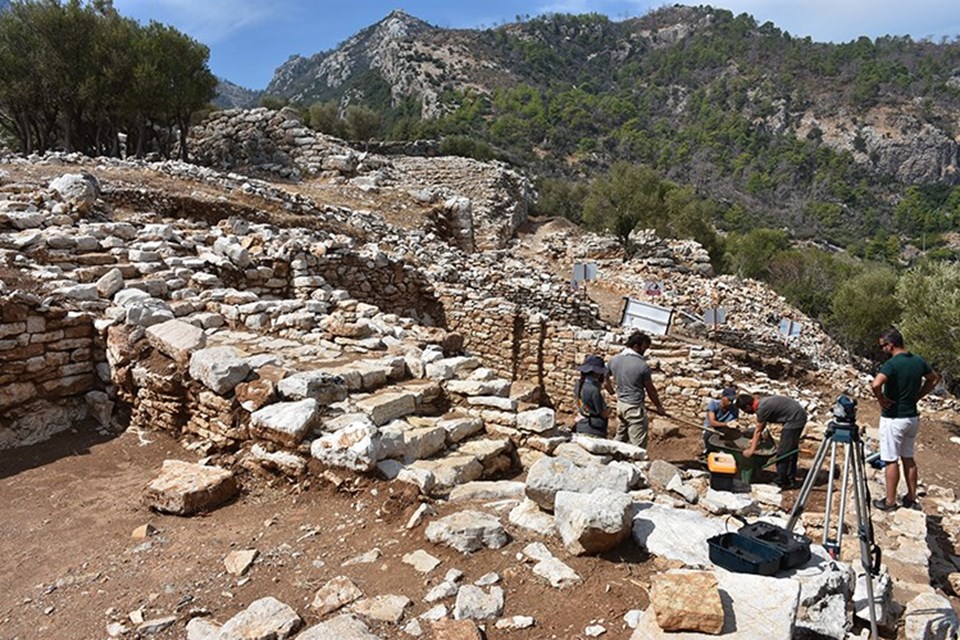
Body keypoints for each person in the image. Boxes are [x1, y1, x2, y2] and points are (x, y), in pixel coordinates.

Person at [870, 328, 938, 511]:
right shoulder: (918, 361)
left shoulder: (892, 365)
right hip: (911, 418)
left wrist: (881, 400)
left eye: (883, 346)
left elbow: (876, 384)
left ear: (890, 345)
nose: (882, 349)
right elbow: (933, 379)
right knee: (908, 457)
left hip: (893, 418)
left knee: (890, 459)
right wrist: (918, 396)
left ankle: (890, 501)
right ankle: (911, 497)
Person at [607, 331, 668, 448]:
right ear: (636, 346)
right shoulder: (642, 365)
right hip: (634, 408)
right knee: (637, 445)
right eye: (644, 347)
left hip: (620, 405)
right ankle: (636, 464)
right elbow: (650, 390)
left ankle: (613, 458)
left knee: (621, 437)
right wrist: (659, 407)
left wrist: (612, 393)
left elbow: (605, 380)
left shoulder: (614, 360)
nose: (645, 351)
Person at [737, 393, 807, 488]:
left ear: (748, 406)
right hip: (795, 416)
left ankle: (780, 481)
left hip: (794, 419)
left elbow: (758, 430)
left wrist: (751, 450)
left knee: (783, 452)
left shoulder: (762, 409)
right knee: (790, 450)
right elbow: (762, 426)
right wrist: (754, 440)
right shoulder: (762, 403)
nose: (745, 413)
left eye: (744, 410)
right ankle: (789, 479)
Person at [573, 354, 612, 438]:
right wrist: (609, 410)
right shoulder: (593, 390)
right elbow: (602, 413)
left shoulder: (578, 384)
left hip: (581, 426)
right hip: (594, 430)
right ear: (596, 373)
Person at [702, 387, 739, 458]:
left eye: (732, 399)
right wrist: (726, 424)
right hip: (711, 429)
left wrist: (734, 425)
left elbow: (734, 422)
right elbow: (712, 422)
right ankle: (708, 450)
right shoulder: (714, 404)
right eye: (729, 399)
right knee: (709, 434)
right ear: (723, 397)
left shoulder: (734, 409)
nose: (730, 402)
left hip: (725, 430)